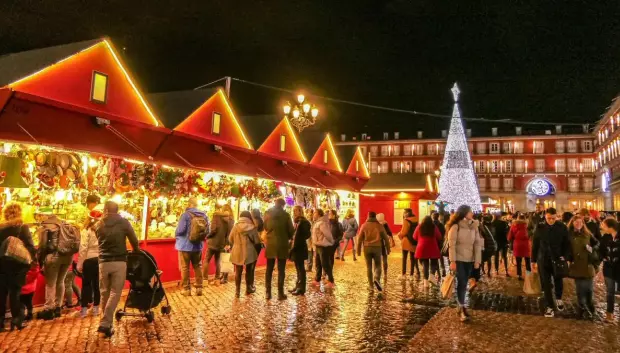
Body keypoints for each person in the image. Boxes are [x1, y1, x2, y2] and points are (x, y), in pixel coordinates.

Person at [95, 201, 140, 337]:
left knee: (104, 293)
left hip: (103, 262)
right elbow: (134, 240)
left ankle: (107, 325)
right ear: (117, 210)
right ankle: (105, 323)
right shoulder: (124, 223)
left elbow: (99, 239)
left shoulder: (98, 224)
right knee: (115, 292)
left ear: (106, 209)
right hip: (119, 261)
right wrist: (136, 250)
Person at [0, 203, 36, 331]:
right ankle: (16, 320)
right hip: (18, 266)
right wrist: (30, 260)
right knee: (15, 293)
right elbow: (31, 246)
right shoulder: (22, 227)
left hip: (2, 265)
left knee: (1, 294)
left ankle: (0, 322)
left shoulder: (0, 228)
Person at [532, 207, 570, 318]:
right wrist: (533, 260)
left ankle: (558, 298)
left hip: (558, 258)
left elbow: (567, 243)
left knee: (558, 279)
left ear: (556, 216)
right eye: (549, 218)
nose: (551, 221)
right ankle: (550, 306)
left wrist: (565, 257)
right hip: (543, 259)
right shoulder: (540, 227)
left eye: (553, 218)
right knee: (546, 283)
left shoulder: (562, 227)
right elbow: (535, 245)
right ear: (545, 217)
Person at [36, 208, 73, 321]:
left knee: (50, 284)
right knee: (60, 281)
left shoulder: (45, 227)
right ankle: (58, 307)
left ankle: (48, 309)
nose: (39, 217)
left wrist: (40, 260)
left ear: (44, 215)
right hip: (67, 256)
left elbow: (42, 246)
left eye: (40, 215)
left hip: (53, 257)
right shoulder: (65, 223)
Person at [447, 205, 482, 322]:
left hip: (470, 260)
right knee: (462, 282)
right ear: (464, 213)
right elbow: (451, 245)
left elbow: (478, 244)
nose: (472, 213)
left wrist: (477, 260)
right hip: (459, 259)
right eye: (470, 211)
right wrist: (452, 261)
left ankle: (460, 305)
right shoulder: (455, 227)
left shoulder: (474, 226)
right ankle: (461, 307)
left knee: (465, 282)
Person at [566, 215, 599, 319]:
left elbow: (597, 244)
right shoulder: (569, 235)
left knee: (589, 289)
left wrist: (591, 249)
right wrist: (568, 259)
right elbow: (566, 248)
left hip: (588, 265)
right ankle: (581, 310)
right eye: (576, 222)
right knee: (580, 289)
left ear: (583, 223)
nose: (578, 224)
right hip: (577, 265)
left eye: (580, 222)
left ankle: (591, 308)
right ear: (572, 223)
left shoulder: (587, 234)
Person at [263, 198, 295, 300]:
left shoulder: (267, 213)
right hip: (282, 244)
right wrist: (287, 237)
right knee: (281, 269)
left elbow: (266, 227)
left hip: (271, 243)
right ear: (283, 205)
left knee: (269, 269)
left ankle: (268, 293)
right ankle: (280, 293)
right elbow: (291, 230)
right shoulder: (286, 215)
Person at [175, 197, 207, 296]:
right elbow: (207, 231)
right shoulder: (204, 215)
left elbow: (180, 230)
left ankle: (186, 289)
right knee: (198, 266)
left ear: (189, 204)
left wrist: (176, 233)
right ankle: (199, 288)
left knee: (185, 267)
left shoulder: (185, 215)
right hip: (198, 245)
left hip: (185, 245)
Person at [76, 207, 103, 318]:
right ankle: (96, 309)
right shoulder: (102, 230)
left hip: (89, 259)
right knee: (97, 285)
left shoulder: (86, 231)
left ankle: (83, 310)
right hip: (100, 259)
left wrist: (80, 263)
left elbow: (83, 248)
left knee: (86, 285)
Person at [229, 211, 261, 298]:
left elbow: (230, 239)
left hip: (237, 251)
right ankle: (248, 288)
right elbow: (257, 241)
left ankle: (237, 292)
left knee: (238, 272)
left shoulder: (235, 226)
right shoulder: (252, 227)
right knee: (248, 271)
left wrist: (236, 243)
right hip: (249, 252)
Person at [356, 211, 391, 290]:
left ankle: (371, 286)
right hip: (377, 247)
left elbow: (360, 239)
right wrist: (388, 249)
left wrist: (358, 251)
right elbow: (386, 238)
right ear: (375, 217)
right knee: (378, 265)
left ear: (368, 216)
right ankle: (376, 278)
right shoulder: (379, 226)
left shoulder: (364, 226)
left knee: (369, 267)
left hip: (367, 248)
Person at [203, 204, 231, 285]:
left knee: (206, 260)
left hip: (213, 243)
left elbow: (213, 230)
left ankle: (204, 280)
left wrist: (207, 236)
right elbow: (227, 234)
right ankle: (217, 279)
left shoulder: (216, 217)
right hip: (220, 244)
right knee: (217, 261)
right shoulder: (227, 220)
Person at [600, 218, 620, 322]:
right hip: (608, 268)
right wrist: (603, 257)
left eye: (603, 225)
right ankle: (609, 313)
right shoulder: (605, 236)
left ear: (610, 227)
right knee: (610, 291)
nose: (601, 226)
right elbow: (601, 250)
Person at [413, 216, 442, 288]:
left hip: (422, 247)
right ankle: (432, 275)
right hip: (433, 247)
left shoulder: (419, 227)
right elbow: (439, 236)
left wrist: (420, 239)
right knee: (434, 262)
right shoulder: (434, 227)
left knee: (425, 263)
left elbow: (414, 237)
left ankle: (425, 282)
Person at [289, 206, 312, 296]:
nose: (295, 212)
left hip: (300, 247)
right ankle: (297, 286)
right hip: (295, 247)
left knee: (301, 269)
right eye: (293, 211)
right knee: (298, 268)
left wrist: (298, 239)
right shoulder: (296, 222)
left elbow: (306, 234)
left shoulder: (304, 222)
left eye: (296, 211)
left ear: (300, 211)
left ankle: (301, 288)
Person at [311, 209, 335, 287]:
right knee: (318, 263)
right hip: (318, 245)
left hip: (323, 246)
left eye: (315, 213)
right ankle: (317, 279)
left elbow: (328, 234)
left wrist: (331, 242)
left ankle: (331, 281)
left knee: (325, 264)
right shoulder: (317, 223)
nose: (313, 214)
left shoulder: (322, 223)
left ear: (318, 214)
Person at [396, 209, 420, 280]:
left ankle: (403, 274)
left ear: (407, 213)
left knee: (404, 258)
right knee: (412, 259)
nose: (403, 214)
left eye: (404, 213)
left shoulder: (406, 220)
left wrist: (399, 235)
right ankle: (411, 275)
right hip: (414, 241)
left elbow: (404, 232)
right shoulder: (416, 220)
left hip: (406, 242)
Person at [507, 214, 531, 280]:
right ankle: (528, 275)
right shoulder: (527, 225)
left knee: (518, 261)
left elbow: (509, 237)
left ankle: (519, 275)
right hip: (526, 245)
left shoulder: (513, 225)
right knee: (528, 261)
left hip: (517, 245)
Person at [250, 208, 265, 292]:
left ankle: (250, 283)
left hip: (253, 243)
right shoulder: (261, 221)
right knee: (253, 263)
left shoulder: (254, 221)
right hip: (258, 244)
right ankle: (251, 282)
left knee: (251, 264)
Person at [432, 212, 448, 277]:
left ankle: (438, 272)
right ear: (438, 217)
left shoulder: (431, 224)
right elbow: (444, 233)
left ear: (433, 217)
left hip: (433, 243)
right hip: (440, 243)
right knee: (441, 258)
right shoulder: (441, 225)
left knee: (435, 258)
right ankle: (443, 270)